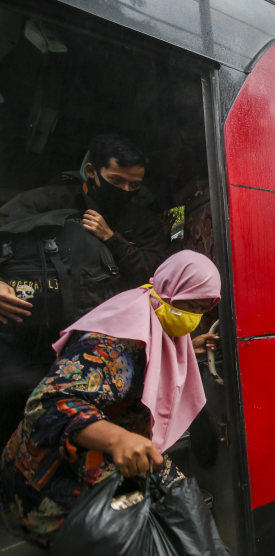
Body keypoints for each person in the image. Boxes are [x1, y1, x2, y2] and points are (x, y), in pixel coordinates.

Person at [0, 251, 220, 549]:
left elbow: (151, 360)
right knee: (107, 541)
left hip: (116, 459)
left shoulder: (154, 312)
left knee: (185, 510)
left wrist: (188, 349)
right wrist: (118, 439)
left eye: (203, 311)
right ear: (171, 290)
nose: (194, 320)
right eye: (193, 306)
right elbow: (49, 403)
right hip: (52, 479)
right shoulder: (112, 343)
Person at [0, 134, 168, 447]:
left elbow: (155, 272)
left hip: (101, 342)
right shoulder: (45, 201)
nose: (126, 191)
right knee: (20, 418)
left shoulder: (141, 220)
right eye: (117, 180)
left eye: (135, 185)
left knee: (88, 427)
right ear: (92, 171)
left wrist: (112, 239)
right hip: (30, 337)